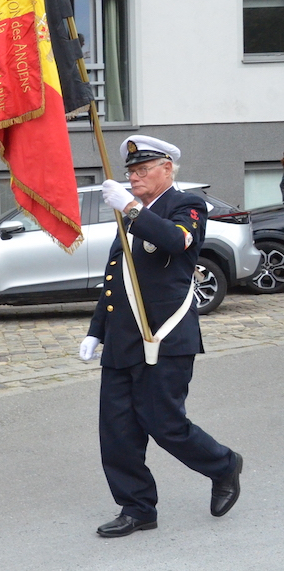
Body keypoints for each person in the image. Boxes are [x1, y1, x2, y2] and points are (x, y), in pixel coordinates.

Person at [79, 135, 243, 538]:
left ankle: (223, 465)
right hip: (123, 340)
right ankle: (137, 508)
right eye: (131, 172)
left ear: (166, 169)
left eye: (142, 170)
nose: (134, 178)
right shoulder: (129, 216)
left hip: (165, 338)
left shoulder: (187, 205)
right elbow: (116, 280)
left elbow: (176, 241)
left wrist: (131, 208)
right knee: (117, 430)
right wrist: (96, 331)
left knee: (164, 423)